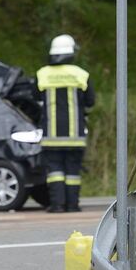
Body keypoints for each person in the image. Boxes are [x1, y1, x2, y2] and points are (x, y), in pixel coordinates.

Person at [36, 34, 95, 213]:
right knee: (72, 173)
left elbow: (34, 99)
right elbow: (90, 102)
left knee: (55, 172)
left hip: (51, 137)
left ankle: (57, 205)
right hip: (75, 137)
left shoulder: (42, 74)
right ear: (71, 53)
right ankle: (73, 205)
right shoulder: (81, 75)